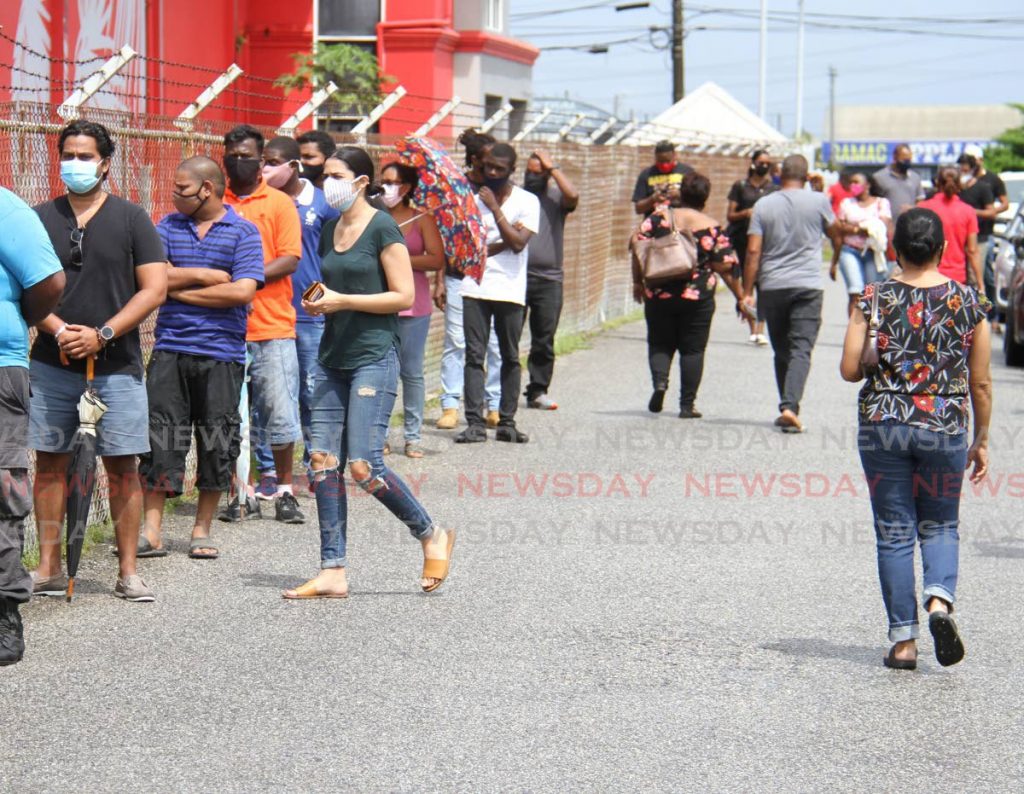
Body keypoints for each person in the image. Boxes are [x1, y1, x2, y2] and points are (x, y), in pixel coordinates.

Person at [284, 146, 454, 599]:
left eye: (337, 175)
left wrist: (344, 301)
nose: (328, 184)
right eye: (324, 176)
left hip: (374, 356)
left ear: (362, 182)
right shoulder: (330, 228)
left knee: (363, 465)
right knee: (321, 460)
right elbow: (337, 285)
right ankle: (332, 570)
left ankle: (430, 533)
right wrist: (322, 299)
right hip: (331, 354)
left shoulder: (383, 228)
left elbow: (401, 296)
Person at [840, 207, 991, 670]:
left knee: (894, 532)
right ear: (943, 250)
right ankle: (939, 603)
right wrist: (980, 438)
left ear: (895, 250)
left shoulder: (872, 299)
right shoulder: (969, 303)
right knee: (941, 524)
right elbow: (980, 382)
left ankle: (903, 642)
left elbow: (848, 370)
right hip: (944, 426)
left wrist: (871, 359)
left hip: (883, 424)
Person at [29, 120, 167, 602]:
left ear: (105, 163)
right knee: (50, 464)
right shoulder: (38, 217)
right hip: (52, 362)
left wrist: (104, 332)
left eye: (86, 156)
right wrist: (61, 331)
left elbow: (154, 288)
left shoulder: (133, 219)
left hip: (118, 366)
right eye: (69, 154)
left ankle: (128, 571)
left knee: (122, 467)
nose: (76, 163)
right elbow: (22, 287)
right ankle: (47, 567)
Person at [138, 157, 263, 560]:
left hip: (221, 353)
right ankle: (152, 530)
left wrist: (176, 287)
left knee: (217, 439)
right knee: (161, 437)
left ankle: (201, 529)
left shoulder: (243, 232)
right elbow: (151, 276)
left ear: (206, 189)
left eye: (181, 189)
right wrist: (206, 276)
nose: (174, 195)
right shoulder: (167, 226)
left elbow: (242, 292)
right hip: (171, 349)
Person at [221, 124, 304, 523]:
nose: (240, 162)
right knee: (230, 416)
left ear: (261, 159)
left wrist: (245, 278)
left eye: (248, 156)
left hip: (272, 327)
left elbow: (289, 258)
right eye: (233, 155)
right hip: (225, 328)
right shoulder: (215, 201)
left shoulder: (279, 203)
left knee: (280, 412)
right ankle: (242, 490)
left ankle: (286, 490)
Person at [0, 187, 65, 665]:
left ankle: (4, 611)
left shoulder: (5, 208)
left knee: (2, 494)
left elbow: (47, 284)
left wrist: (15, 318)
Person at [254, 136, 339, 485]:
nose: (265, 168)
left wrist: (325, 296)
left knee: (310, 391)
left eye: (273, 162)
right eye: (263, 161)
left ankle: (314, 461)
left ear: (293, 166)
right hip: (268, 313)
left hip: (309, 316)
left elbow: (334, 256)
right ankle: (267, 468)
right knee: (268, 398)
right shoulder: (258, 201)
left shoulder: (322, 204)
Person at [742, 154, 837, 435]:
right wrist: (836, 258)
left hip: (772, 286)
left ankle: (787, 405)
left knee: (782, 349)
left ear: (779, 175)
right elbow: (837, 232)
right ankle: (790, 406)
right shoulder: (819, 201)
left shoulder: (763, 205)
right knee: (801, 348)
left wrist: (747, 291)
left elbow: (753, 251)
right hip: (807, 285)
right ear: (807, 177)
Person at [632, 172, 739, 419]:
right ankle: (687, 405)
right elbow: (725, 265)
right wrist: (741, 296)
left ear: (682, 193)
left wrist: (638, 282)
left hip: (659, 291)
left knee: (659, 342)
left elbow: (637, 245)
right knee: (693, 350)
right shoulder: (711, 227)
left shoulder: (659, 218)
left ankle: (660, 383)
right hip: (697, 296)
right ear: (705, 197)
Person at [455, 142, 540, 444]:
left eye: (498, 169)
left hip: (510, 288)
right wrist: (507, 235)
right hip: (475, 286)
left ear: (511, 171)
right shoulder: (470, 201)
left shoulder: (527, 201)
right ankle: (475, 423)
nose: (491, 172)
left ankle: (507, 421)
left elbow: (519, 245)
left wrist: (494, 210)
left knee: (510, 356)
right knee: (474, 356)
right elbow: (466, 249)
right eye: (487, 166)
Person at [434, 128, 501, 430]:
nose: (494, 167)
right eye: (488, 161)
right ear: (475, 160)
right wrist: (438, 280)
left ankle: (494, 403)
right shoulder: (456, 188)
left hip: (495, 274)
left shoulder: (504, 189)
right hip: (458, 274)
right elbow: (443, 235)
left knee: (495, 343)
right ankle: (450, 404)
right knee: (457, 340)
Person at [380, 161, 444, 457]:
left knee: (412, 372)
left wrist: (399, 258)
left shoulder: (421, 219)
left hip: (414, 307)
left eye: (391, 182)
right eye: (383, 181)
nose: (385, 187)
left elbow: (435, 259)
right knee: (381, 373)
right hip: (380, 303)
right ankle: (379, 434)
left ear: (405, 188)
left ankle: (413, 436)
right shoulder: (375, 217)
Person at [522, 149, 578, 410]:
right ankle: (502, 390)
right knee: (507, 337)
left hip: (549, 280)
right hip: (517, 277)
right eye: (529, 171)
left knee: (544, 338)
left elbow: (573, 195)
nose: (533, 176)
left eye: (539, 172)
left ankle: (538, 389)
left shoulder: (556, 198)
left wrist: (552, 167)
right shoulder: (516, 197)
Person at [726, 149, 777, 346]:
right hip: (742, 240)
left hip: (765, 242)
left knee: (762, 284)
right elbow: (730, 214)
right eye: (761, 162)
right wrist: (746, 213)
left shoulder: (773, 189)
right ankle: (751, 324)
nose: (764, 165)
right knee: (744, 284)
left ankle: (760, 329)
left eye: (768, 163)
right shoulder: (740, 186)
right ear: (753, 163)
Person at [958, 144, 1007, 332]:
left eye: (971, 160)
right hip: (964, 236)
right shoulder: (962, 182)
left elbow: (1003, 204)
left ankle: (989, 313)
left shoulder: (991, 181)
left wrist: (983, 212)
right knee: (969, 275)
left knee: (984, 276)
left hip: (983, 234)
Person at [830, 173, 893, 315]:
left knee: (872, 294)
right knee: (855, 292)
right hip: (850, 251)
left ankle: (870, 332)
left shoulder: (881, 203)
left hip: (873, 253)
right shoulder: (846, 204)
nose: (853, 186)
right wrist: (859, 229)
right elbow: (839, 228)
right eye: (851, 182)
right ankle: (854, 331)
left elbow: (882, 225)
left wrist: (854, 227)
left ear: (867, 185)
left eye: (857, 182)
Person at [918, 166, 983, 288]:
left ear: (937, 183)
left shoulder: (923, 208)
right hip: (956, 278)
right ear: (959, 184)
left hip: (926, 276)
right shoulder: (968, 211)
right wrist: (980, 283)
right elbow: (972, 251)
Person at [632, 140, 694, 217]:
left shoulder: (687, 172)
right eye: (660, 161)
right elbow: (638, 209)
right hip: (655, 225)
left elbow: (696, 202)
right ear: (655, 158)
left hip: (681, 222)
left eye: (667, 161)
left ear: (674, 155)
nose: (664, 165)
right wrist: (653, 199)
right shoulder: (647, 174)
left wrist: (679, 195)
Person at [872, 144, 924, 221]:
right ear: (895, 157)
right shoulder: (879, 177)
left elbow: (921, 201)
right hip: (887, 225)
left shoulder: (915, 177)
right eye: (904, 160)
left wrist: (913, 208)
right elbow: (872, 202)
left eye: (909, 160)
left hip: (910, 225)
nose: (907, 163)